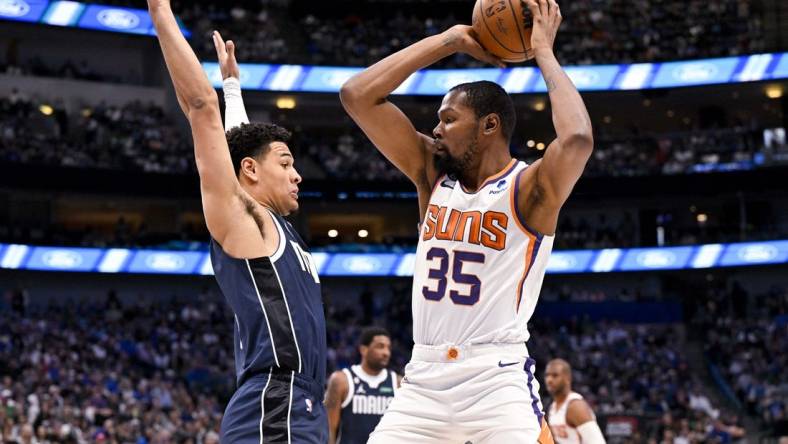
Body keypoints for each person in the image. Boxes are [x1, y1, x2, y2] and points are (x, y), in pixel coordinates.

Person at [340, 0, 592, 441]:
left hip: (496, 380)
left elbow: (576, 140)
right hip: (423, 379)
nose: (436, 129)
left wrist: (544, 52)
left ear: (489, 125)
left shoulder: (529, 189)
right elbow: (357, 95)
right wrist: (451, 40)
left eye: (449, 119)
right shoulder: (431, 172)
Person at [147, 2, 326, 442]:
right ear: (250, 171)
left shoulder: (270, 224)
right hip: (274, 401)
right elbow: (199, 107)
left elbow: (240, 143)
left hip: (299, 405)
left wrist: (232, 87)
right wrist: (160, 10)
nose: (297, 174)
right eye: (286, 163)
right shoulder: (246, 222)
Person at [324, 327, 401, 444]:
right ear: (363, 350)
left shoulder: (398, 383)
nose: (386, 353)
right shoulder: (341, 380)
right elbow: (329, 428)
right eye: (380, 346)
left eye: (388, 348)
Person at [544, 359, 606, 443]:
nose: (549, 380)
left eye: (555, 375)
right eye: (547, 375)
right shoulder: (552, 407)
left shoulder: (575, 406)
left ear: (567, 378)